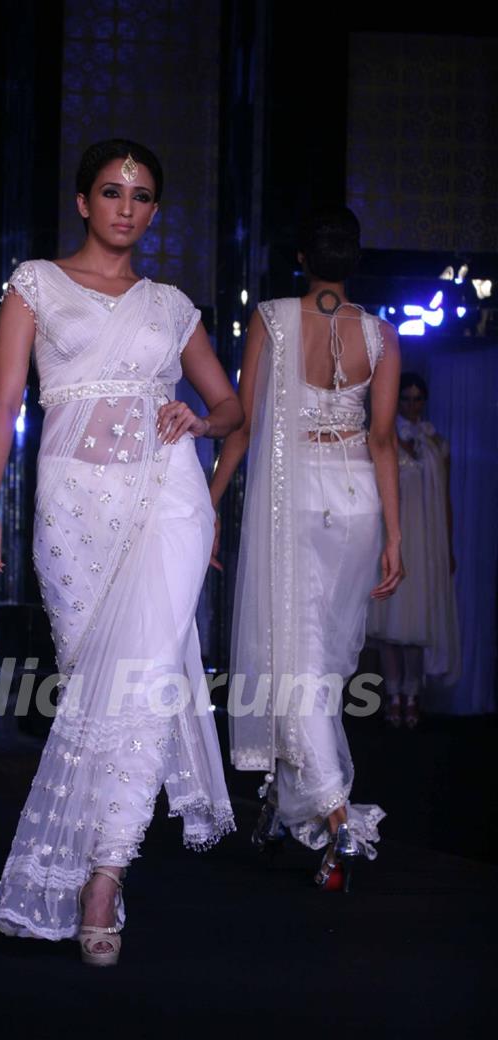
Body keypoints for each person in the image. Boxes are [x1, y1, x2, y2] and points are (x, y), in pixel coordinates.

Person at [0, 139, 242, 965]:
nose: (127, 207)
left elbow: (231, 404)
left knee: (146, 682)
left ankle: (104, 875)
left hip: (167, 501)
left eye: (142, 195)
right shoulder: (36, 284)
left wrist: (200, 422)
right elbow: (5, 404)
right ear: (84, 201)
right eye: (112, 191)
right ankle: (97, 862)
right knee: (96, 684)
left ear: (155, 212)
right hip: (72, 507)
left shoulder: (171, 305)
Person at [209, 207, 403, 891]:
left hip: (297, 497)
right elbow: (383, 442)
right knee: (318, 664)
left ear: (302, 259)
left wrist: (210, 500)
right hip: (357, 501)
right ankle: (286, 804)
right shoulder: (381, 334)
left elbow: (241, 422)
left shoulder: (270, 319)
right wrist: (397, 534)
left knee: (297, 657)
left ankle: (336, 814)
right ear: (354, 261)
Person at [367, 372, 460, 727]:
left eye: (417, 398)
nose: (411, 404)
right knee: (392, 622)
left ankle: (413, 695)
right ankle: (394, 695)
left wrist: (448, 546)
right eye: (405, 398)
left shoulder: (437, 442)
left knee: (419, 622)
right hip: (397, 538)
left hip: (427, 542)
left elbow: (445, 498)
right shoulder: (385, 437)